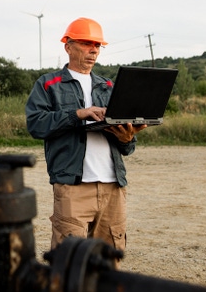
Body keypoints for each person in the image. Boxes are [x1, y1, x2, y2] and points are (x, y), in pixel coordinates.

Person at [25, 17, 146, 253]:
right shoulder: (49, 84)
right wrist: (79, 114)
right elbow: (36, 124)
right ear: (67, 46)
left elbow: (128, 147)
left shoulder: (109, 87)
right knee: (69, 261)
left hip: (114, 187)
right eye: (86, 43)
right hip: (73, 187)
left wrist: (127, 137)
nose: (93, 50)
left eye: (97, 45)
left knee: (108, 263)